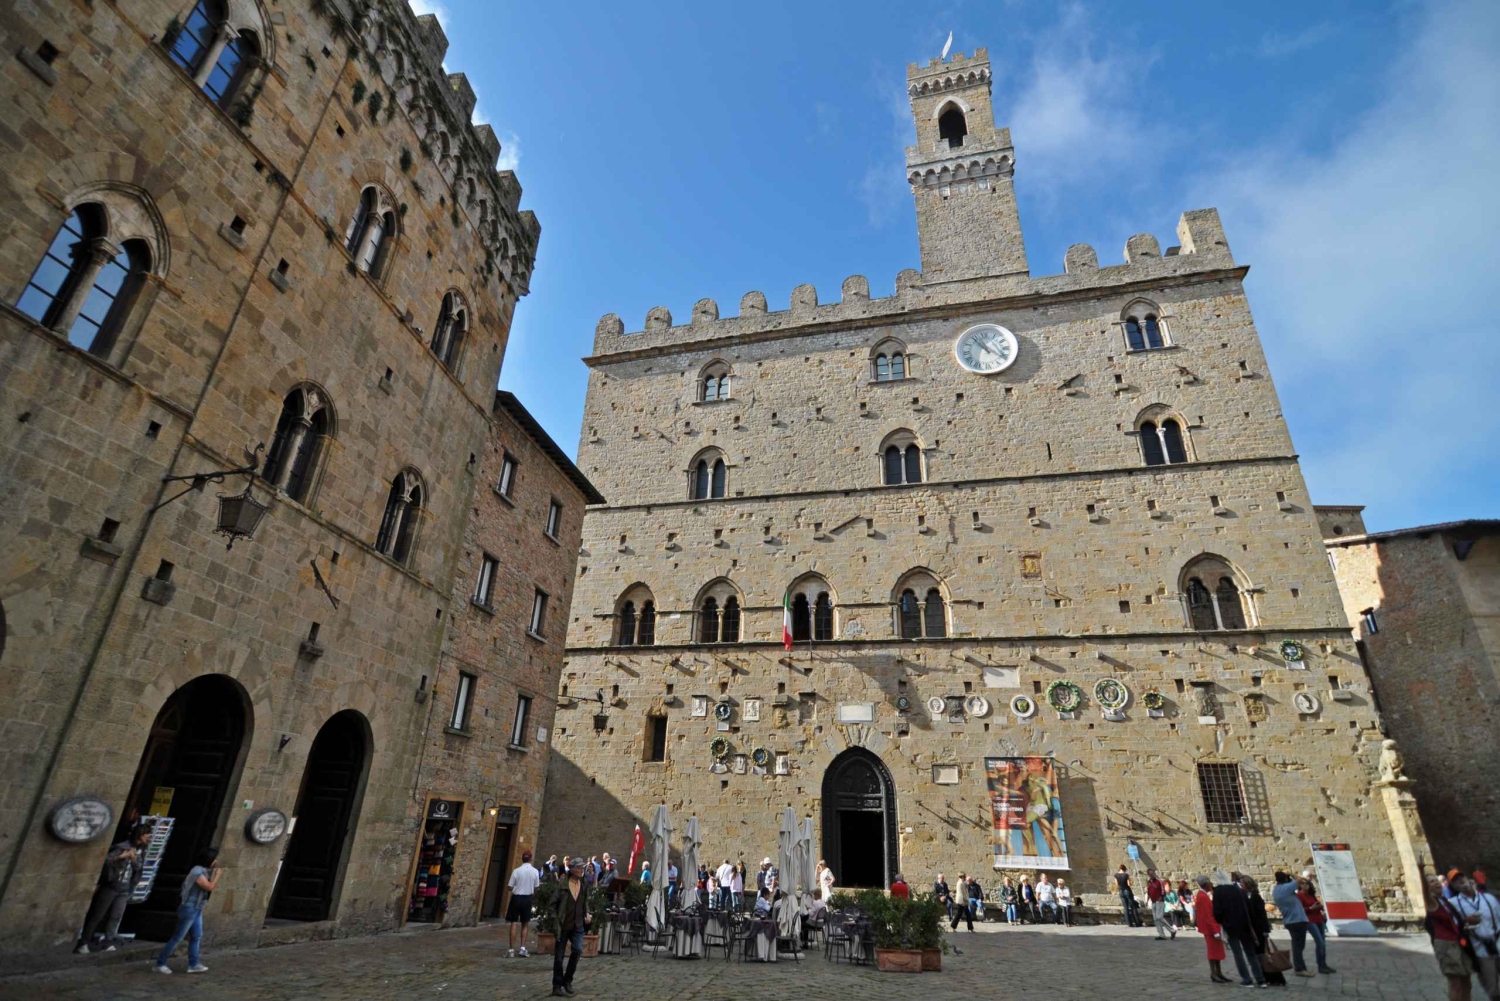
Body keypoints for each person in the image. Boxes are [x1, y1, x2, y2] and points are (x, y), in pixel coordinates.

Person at [75, 822, 151, 954]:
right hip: (111, 885)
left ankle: (107, 942)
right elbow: (105, 860)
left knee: (116, 916)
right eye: (147, 835)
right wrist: (121, 857)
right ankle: (83, 942)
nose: (148, 838)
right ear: (140, 835)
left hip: (125, 887)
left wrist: (133, 859)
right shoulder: (122, 847)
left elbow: (138, 868)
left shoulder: (141, 850)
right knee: (98, 914)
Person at [153, 847, 221, 975]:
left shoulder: (203, 871)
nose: (216, 861)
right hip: (189, 908)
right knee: (178, 937)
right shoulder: (197, 872)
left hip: (197, 908)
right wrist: (217, 876)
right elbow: (209, 887)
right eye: (214, 859)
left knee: (196, 936)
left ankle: (193, 964)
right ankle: (160, 963)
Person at [1212, 870, 1267, 988]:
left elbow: (1217, 911)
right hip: (1245, 925)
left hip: (1231, 927)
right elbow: (1248, 908)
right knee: (1250, 953)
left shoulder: (1218, 891)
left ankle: (1247, 980)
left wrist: (1222, 922)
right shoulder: (1239, 890)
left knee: (1238, 954)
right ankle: (1260, 979)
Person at [1450, 874, 1500, 1000]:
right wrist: (1465, 921)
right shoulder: (1453, 904)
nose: (1460, 881)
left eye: (1462, 878)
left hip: (1498, 942)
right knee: (1492, 988)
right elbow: (1451, 926)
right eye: (1456, 881)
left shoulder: (1489, 898)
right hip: (1480, 949)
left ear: (1468, 880)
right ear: (1454, 886)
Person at [1427, 873, 1474, 1001]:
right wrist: (1420, 869)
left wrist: (1466, 920)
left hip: (1458, 941)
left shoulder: (1444, 901)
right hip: (1446, 944)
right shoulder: (1432, 902)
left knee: (1466, 982)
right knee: (1455, 984)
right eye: (1431, 882)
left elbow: (1453, 920)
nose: (1436, 883)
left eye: (1436, 880)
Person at [551, 858, 592, 998]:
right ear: (572, 869)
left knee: (578, 950)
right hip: (563, 925)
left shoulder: (584, 884)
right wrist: (555, 919)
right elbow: (552, 904)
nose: (582, 870)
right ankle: (556, 985)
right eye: (579, 868)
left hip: (578, 924)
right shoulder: (563, 885)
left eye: (582, 868)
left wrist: (587, 912)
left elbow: (585, 900)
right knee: (559, 957)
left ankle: (567, 981)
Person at [1240, 875, 1285, 986]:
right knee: (1260, 954)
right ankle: (1266, 976)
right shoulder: (1248, 896)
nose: (1241, 886)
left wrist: (1265, 930)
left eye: (1242, 884)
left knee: (1263, 955)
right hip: (1254, 930)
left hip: (1259, 930)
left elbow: (1261, 915)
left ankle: (1272, 977)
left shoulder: (1255, 897)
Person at [1272, 871, 1313, 977]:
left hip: (1290, 920)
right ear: (1286, 880)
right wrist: (1291, 873)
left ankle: (1300, 967)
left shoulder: (1276, 890)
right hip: (1297, 920)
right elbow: (1300, 880)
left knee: (1298, 946)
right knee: (1298, 946)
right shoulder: (1286, 888)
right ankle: (1299, 969)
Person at [1195, 875, 1233, 985]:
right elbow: (1207, 915)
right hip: (1210, 929)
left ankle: (1218, 972)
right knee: (1213, 953)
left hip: (1211, 928)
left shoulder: (1202, 895)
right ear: (1206, 884)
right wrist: (1215, 930)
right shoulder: (1202, 896)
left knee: (1217, 952)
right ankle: (1214, 973)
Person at [1296, 875, 1335, 974]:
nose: (1305, 885)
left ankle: (1323, 964)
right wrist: (1310, 908)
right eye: (1303, 883)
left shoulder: (1311, 895)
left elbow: (1317, 905)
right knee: (1319, 942)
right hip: (1310, 921)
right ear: (1299, 885)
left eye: (1307, 883)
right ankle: (1321, 966)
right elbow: (1300, 910)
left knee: (1323, 943)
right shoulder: (1299, 896)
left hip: (1319, 919)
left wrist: (1320, 906)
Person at [506, 850, 541, 958]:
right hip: (528, 898)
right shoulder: (535, 871)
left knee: (513, 923)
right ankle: (522, 948)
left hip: (516, 898)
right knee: (525, 923)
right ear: (531, 859)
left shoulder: (516, 871)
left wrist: (516, 888)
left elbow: (510, 886)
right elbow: (536, 887)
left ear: (522, 859)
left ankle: (511, 950)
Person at [1147, 868, 1175, 939]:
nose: (1151, 875)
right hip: (1153, 901)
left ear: (1154, 873)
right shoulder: (1149, 882)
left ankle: (1172, 930)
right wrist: (1148, 898)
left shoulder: (1158, 881)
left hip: (1159, 901)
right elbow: (1148, 890)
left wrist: (1161, 897)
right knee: (1156, 919)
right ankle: (1161, 934)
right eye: (1150, 874)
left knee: (1159, 917)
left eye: (1152, 873)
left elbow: (1163, 890)